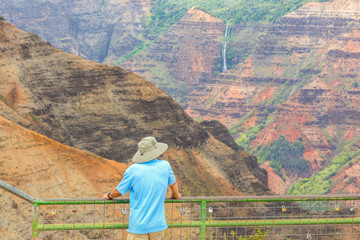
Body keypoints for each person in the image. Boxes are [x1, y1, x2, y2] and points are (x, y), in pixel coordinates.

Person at [103, 136, 181, 240]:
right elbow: (173, 183)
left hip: (138, 226)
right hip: (158, 225)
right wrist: (175, 195)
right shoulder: (165, 166)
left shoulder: (133, 170)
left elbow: (118, 192)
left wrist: (108, 195)